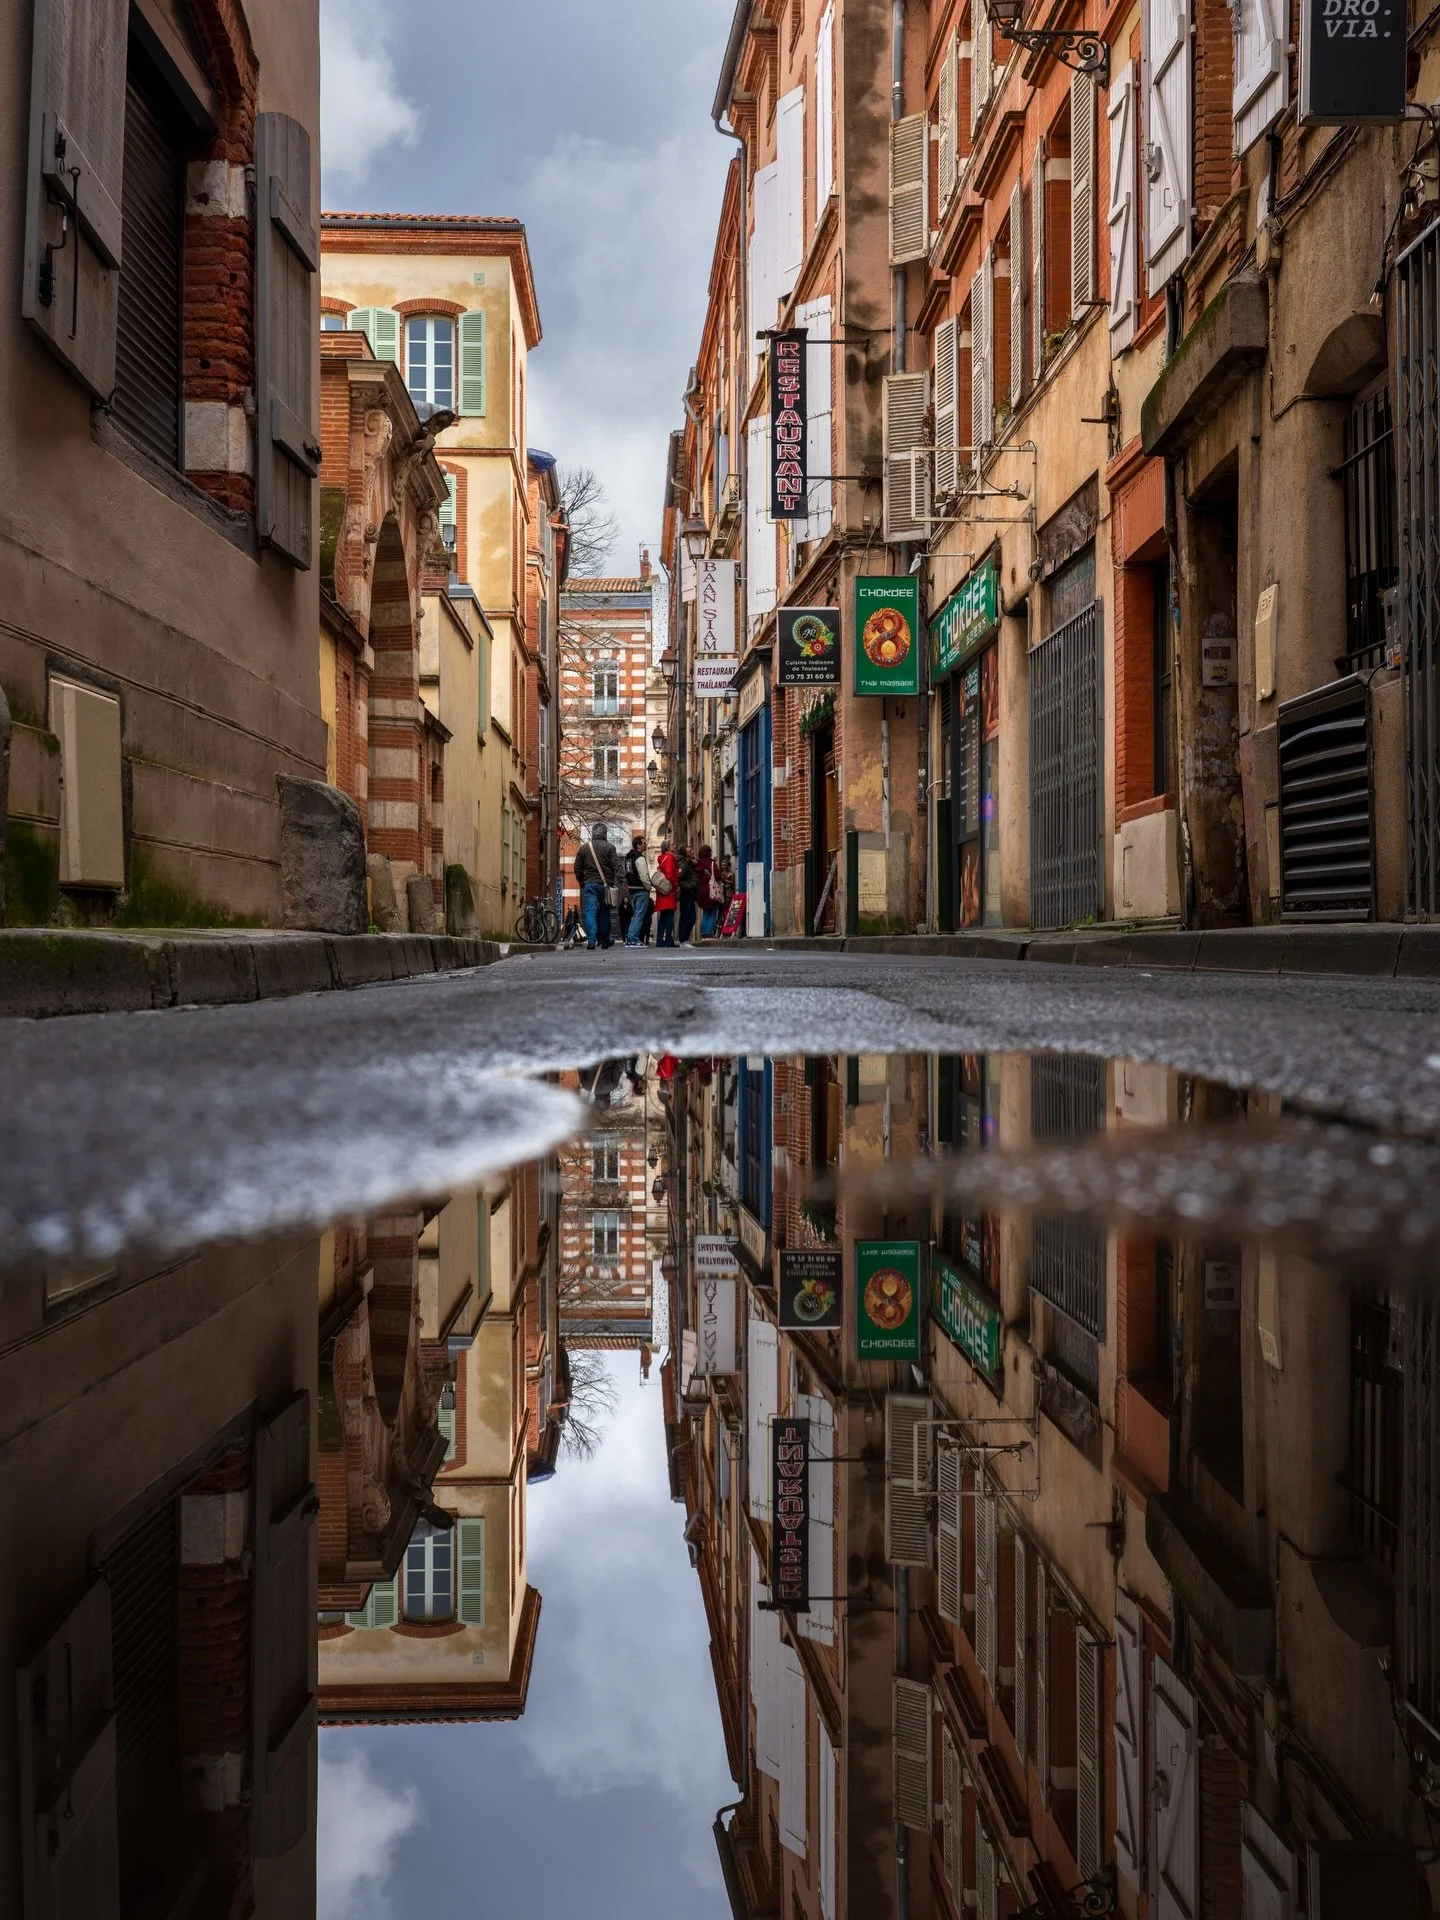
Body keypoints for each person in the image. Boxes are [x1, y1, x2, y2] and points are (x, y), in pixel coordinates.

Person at [573, 825, 619, 949]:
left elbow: (577, 868)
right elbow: (617, 866)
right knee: (605, 912)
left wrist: (582, 882)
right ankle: (604, 940)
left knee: (590, 912)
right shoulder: (610, 847)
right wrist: (619, 880)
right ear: (605, 834)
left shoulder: (584, 849)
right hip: (605, 885)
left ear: (593, 833)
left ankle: (591, 941)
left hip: (589, 884)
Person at [624, 831, 653, 946]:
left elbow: (628, 873)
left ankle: (630, 938)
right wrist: (648, 887)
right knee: (639, 915)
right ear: (638, 845)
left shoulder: (628, 858)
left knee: (635, 915)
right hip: (641, 889)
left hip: (632, 889)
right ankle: (633, 939)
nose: (646, 844)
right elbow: (644, 875)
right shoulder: (639, 858)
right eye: (644, 843)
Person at [652, 837, 680, 946]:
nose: (674, 846)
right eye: (672, 844)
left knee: (663, 917)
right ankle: (668, 940)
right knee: (669, 917)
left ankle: (660, 940)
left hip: (662, 891)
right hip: (668, 891)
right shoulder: (669, 858)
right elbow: (669, 875)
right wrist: (675, 883)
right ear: (667, 847)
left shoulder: (663, 858)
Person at [676, 844, 700, 945]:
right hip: (686, 893)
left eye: (691, 850)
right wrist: (689, 886)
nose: (692, 852)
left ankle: (685, 939)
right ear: (685, 854)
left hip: (691, 892)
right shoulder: (683, 864)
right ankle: (683, 939)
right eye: (689, 851)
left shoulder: (689, 863)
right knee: (686, 916)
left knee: (692, 917)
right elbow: (679, 878)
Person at [696, 844, 720, 939]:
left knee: (706, 912)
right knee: (712, 912)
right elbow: (717, 876)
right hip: (711, 890)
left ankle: (703, 932)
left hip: (701, 891)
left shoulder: (697, 864)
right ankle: (709, 932)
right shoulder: (711, 863)